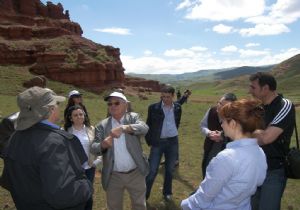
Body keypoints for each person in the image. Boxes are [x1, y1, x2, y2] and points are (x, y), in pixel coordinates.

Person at [2, 87, 92, 210]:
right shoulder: (54, 143)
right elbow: (63, 195)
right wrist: (87, 185)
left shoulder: (15, 137)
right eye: (56, 104)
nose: (58, 107)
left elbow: (9, 180)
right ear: (50, 109)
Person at [181, 99, 267, 210]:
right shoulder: (259, 152)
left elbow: (204, 197)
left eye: (223, 121)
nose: (221, 125)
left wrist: (184, 204)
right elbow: (259, 181)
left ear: (233, 123)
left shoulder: (226, 158)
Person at [90, 91, 149, 210]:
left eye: (116, 103)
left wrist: (124, 128)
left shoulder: (133, 117)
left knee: (139, 206)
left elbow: (144, 128)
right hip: (113, 176)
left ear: (125, 105)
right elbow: (94, 148)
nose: (112, 106)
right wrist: (103, 144)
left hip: (135, 173)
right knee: (114, 207)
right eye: (110, 103)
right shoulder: (102, 125)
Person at [249, 72, 296, 210]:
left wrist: (249, 132)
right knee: (251, 206)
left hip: (274, 170)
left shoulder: (284, 105)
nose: (249, 91)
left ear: (265, 88)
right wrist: (256, 132)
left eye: (253, 87)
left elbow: (265, 138)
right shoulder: (258, 108)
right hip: (253, 168)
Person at [145, 86, 182, 201]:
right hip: (157, 142)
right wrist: (150, 141)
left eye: (168, 97)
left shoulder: (178, 107)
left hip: (172, 142)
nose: (165, 99)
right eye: (163, 96)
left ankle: (167, 192)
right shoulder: (153, 108)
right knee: (152, 170)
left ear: (173, 96)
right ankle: (144, 195)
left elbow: (177, 122)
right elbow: (148, 125)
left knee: (169, 169)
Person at [64, 105, 102, 210]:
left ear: (84, 115)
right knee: (75, 194)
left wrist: (97, 162)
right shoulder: (65, 131)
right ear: (70, 118)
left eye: (81, 114)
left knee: (88, 194)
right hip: (73, 169)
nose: (79, 117)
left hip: (89, 168)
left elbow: (98, 147)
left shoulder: (92, 129)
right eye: (75, 115)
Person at [200, 93, 237, 178]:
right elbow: (203, 125)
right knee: (206, 168)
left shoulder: (236, 118)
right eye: (219, 103)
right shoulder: (212, 110)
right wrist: (209, 133)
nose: (219, 106)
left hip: (226, 152)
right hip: (209, 148)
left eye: (224, 105)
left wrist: (223, 136)